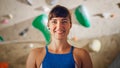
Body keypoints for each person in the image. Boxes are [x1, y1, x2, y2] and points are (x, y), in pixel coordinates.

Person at [26, 5, 93, 68]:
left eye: (64, 22)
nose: (59, 27)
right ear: (48, 25)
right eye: (54, 22)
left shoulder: (82, 55)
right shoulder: (35, 54)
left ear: (70, 25)